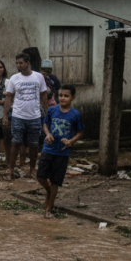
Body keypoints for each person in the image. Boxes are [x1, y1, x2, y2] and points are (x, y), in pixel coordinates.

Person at [38, 85, 84, 218]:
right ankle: (48, 192)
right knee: (40, 176)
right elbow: (45, 124)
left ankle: (48, 208)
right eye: (60, 95)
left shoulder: (75, 114)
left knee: (55, 181)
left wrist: (71, 141)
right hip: (48, 148)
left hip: (62, 152)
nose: (62, 98)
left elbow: (80, 132)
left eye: (66, 96)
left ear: (72, 98)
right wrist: (47, 134)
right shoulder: (52, 110)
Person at [3, 53, 48, 181]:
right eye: (17, 63)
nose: (18, 65)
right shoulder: (14, 78)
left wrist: (47, 113)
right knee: (15, 143)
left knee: (34, 144)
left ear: (27, 63)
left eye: (20, 63)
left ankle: (32, 170)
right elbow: (8, 97)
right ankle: (11, 170)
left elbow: (44, 95)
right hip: (18, 116)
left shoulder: (38, 77)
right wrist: (5, 115)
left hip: (34, 116)